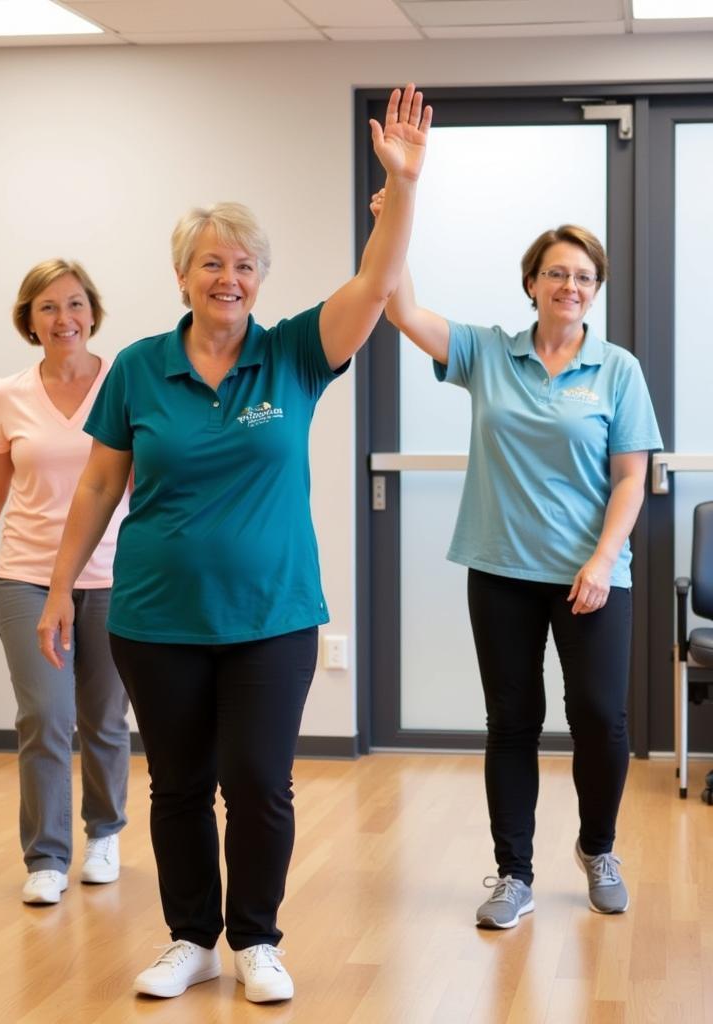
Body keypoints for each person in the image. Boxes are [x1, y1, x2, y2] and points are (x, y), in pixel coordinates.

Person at [37, 84, 430, 1003]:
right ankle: (191, 938)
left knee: (258, 783)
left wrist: (403, 187)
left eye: (246, 265)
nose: (230, 279)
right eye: (213, 263)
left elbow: (375, 282)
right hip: (154, 615)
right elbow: (101, 483)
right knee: (177, 785)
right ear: (183, 274)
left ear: (262, 277)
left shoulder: (294, 352)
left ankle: (255, 938)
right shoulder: (138, 365)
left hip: (271, 615)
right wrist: (61, 586)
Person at [373, 193, 662, 929]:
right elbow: (401, 308)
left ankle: (598, 849)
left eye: (585, 278)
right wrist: (395, 214)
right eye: (557, 273)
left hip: (591, 575)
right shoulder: (487, 352)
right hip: (501, 568)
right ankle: (514, 873)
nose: (571, 287)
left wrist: (601, 561)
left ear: (595, 291)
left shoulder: (617, 370)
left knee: (600, 717)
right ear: (531, 281)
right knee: (512, 719)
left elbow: (631, 477)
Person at [0, 260, 130, 907]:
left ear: (92, 311)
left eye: (75, 304)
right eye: (48, 307)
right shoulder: (8, 395)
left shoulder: (123, 381)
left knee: (104, 717)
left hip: (111, 575)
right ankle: (47, 854)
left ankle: (104, 832)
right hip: (25, 575)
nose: (64, 319)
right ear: (29, 319)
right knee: (44, 716)